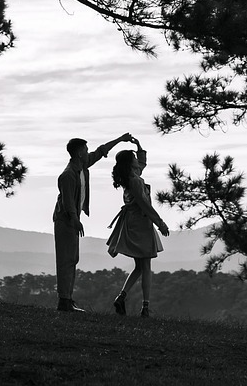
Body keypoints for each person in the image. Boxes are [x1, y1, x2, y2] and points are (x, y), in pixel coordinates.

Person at [53, 132, 134, 312]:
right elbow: (67, 202)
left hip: (72, 220)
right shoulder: (68, 175)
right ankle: (64, 301)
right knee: (66, 259)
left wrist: (120, 139)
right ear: (79, 152)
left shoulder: (82, 165)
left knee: (72, 259)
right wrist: (75, 219)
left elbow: (101, 151)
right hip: (65, 220)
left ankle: (67, 298)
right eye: (85, 149)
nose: (89, 151)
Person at [105, 137, 170, 318]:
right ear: (130, 163)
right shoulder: (135, 180)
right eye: (133, 156)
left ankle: (122, 297)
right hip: (141, 224)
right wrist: (160, 223)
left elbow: (142, 162)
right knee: (146, 265)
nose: (137, 159)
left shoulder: (131, 177)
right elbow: (144, 204)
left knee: (140, 267)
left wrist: (139, 146)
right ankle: (145, 307)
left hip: (133, 222)